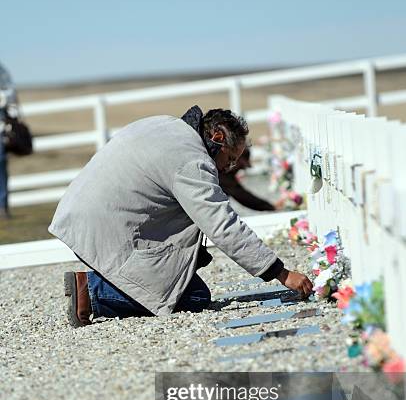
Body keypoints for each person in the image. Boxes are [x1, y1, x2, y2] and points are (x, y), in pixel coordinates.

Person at [49, 105, 312, 328]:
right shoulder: (192, 162)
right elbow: (222, 225)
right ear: (218, 137)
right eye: (230, 159)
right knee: (194, 296)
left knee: (180, 272)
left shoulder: (166, 126)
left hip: (82, 216)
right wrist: (281, 274)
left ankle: (105, 282)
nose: (229, 167)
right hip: (104, 229)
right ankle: (92, 291)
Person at [219, 146, 276, 211]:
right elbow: (244, 197)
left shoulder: (225, 174)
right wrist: (272, 207)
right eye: (241, 166)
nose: (240, 170)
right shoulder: (223, 175)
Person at [0, 61, 18, 219]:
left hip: (1, 129)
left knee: (1, 165)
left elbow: (10, 95)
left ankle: (2, 207)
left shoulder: (1, 71)